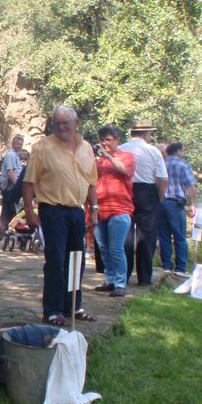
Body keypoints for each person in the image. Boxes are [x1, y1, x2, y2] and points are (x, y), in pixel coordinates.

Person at [22, 106, 99, 326]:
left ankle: (74, 305)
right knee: (56, 260)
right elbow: (28, 183)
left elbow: (91, 182)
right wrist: (29, 212)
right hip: (53, 209)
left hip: (77, 210)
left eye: (65, 123)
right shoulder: (42, 148)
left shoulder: (86, 148)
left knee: (77, 259)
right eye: (57, 123)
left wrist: (94, 209)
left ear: (77, 123)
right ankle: (53, 310)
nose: (61, 127)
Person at [119, 119, 167, 286]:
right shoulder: (153, 151)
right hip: (147, 192)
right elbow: (162, 179)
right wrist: (159, 199)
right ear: (146, 134)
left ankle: (122, 275)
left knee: (125, 233)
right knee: (147, 235)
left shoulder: (120, 149)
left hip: (125, 191)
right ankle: (144, 277)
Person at [92, 125, 136, 297]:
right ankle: (109, 280)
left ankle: (120, 283)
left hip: (120, 209)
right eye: (102, 140)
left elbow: (124, 170)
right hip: (100, 208)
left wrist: (107, 156)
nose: (105, 143)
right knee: (103, 248)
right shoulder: (98, 160)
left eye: (108, 140)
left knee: (116, 248)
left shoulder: (127, 157)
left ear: (118, 140)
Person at [158, 142, 197, 277]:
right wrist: (193, 204)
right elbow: (191, 186)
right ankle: (181, 268)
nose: (183, 153)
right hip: (175, 203)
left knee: (164, 236)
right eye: (183, 150)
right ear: (178, 151)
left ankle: (166, 266)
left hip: (160, 203)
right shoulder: (183, 165)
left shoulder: (161, 163)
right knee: (180, 236)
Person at [0, 135, 25, 239]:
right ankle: (4, 232)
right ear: (13, 144)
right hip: (10, 187)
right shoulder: (11, 155)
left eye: (21, 144)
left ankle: (5, 231)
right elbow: (10, 172)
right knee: (9, 210)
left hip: (13, 186)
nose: (20, 146)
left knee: (9, 210)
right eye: (18, 144)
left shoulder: (16, 155)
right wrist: (17, 186)